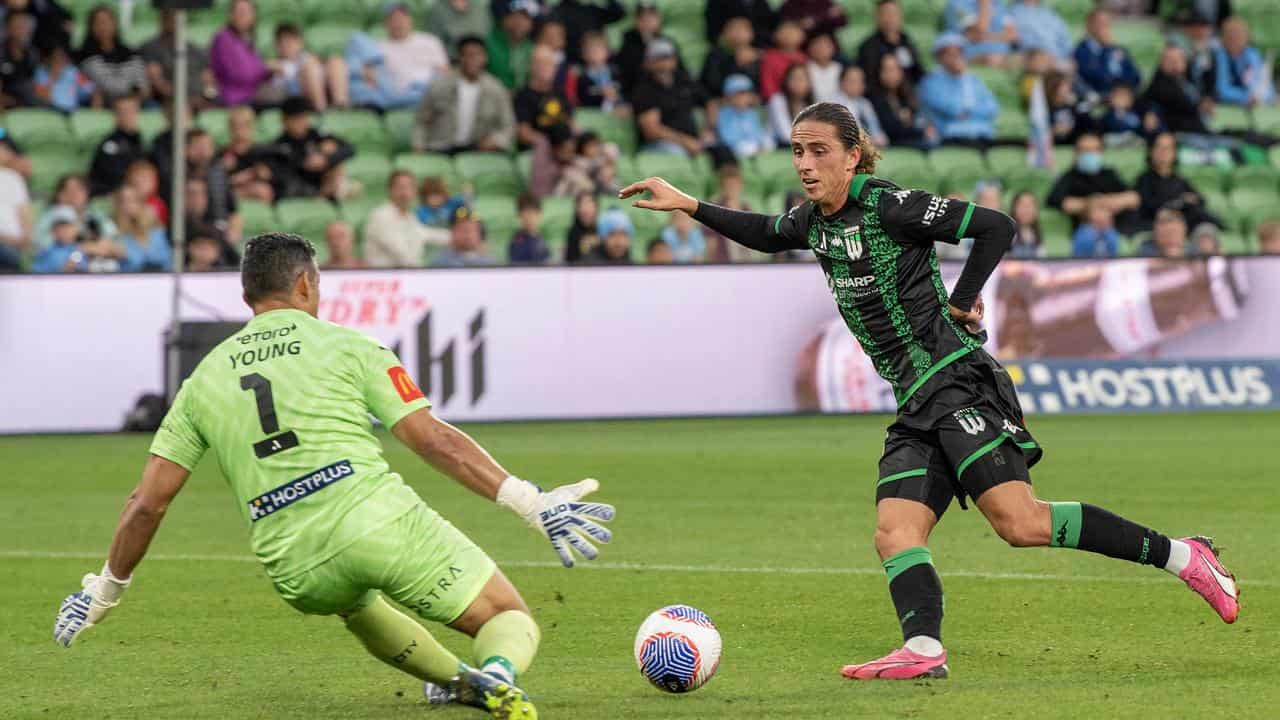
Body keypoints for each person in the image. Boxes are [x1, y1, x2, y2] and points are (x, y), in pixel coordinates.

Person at [619, 100, 1240, 681]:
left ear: (853, 155)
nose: (805, 164)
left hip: (955, 379)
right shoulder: (813, 221)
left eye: (817, 150)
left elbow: (995, 226)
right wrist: (688, 204)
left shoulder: (889, 205)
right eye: (796, 151)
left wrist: (963, 299)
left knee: (1020, 523)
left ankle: (1185, 557)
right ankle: (923, 650)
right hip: (915, 399)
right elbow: (764, 231)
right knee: (895, 531)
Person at [52, 231, 616, 719]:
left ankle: (458, 684)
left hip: (292, 563)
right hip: (375, 521)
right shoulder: (349, 345)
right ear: (304, 286)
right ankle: (496, 673)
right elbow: (433, 439)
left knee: (356, 601)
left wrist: (106, 589)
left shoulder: (202, 380)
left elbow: (148, 502)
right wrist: (529, 501)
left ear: (248, 294)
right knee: (506, 616)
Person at [413, 35, 515, 154]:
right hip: (440, 148)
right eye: (468, 55)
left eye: (477, 55)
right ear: (460, 58)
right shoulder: (439, 85)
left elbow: (508, 126)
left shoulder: (496, 89)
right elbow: (421, 120)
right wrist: (418, 146)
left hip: (477, 151)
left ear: (485, 58)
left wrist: (495, 141)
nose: (472, 60)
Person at [1046, 133, 1142, 234]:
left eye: (1094, 150)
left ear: (1100, 153)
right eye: (1085, 150)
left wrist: (1104, 201)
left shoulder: (1109, 174)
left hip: (1118, 229)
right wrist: (1087, 204)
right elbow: (1055, 201)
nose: (1090, 154)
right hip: (1086, 231)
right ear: (1076, 153)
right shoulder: (1069, 176)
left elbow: (1133, 197)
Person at [631, 39, 709, 156]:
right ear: (649, 62)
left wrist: (708, 130)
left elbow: (710, 102)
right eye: (659, 58)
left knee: (721, 150)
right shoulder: (644, 90)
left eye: (668, 57)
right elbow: (652, 130)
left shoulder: (683, 81)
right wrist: (686, 142)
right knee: (676, 153)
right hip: (661, 145)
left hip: (693, 140)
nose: (665, 62)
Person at [919, 34, 999, 145]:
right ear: (940, 57)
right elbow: (952, 110)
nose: (956, 57)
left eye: (959, 53)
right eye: (950, 54)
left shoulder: (972, 80)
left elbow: (992, 108)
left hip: (981, 134)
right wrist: (971, 111)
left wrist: (968, 112)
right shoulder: (931, 82)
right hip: (948, 138)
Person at [269, 97, 355, 201]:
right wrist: (313, 158)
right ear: (285, 121)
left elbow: (349, 148)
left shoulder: (315, 134)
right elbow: (294, 167)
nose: (303, 123)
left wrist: (326, 159)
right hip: (305, 191)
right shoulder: (279, 144)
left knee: (335, 158)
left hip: (329, 182)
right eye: (297, 119)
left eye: (305, 117)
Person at [1135, 132, 1219, 231]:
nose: (1164, 152)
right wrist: (1179, 202)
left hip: (1188, 223)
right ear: (1151, 151)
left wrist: (1184, 202)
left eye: (1168, 148)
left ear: (1174, 153)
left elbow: (1200, 199)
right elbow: (1148, 207)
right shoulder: (1144, 179)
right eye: (1159, 147)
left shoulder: (1179, 179)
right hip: (1162, 226)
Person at [141, 8, 218, 111]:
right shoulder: (150, 48)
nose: (172, 23)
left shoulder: (193, 49)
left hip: (199, 100)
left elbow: (209, 80)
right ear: (161, 20)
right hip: (170, 102)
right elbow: (157, 82)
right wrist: (181, 99)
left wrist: (207, 96)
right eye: (169, 19)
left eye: (175, 19)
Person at [364, 171, 444, 268]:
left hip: (405, 274)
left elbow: (425, 233)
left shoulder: (410, 216)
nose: (405, 192)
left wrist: (456, 236)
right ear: (390, 190)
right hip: (383, 277)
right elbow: (403, 255)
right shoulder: (381, 216)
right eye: (401, 188)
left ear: (414, 192)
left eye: (410, 188)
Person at [210, 0, 282, 108]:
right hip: (238, 97)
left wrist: (271, 72)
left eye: (247, 12)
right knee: (286, 95)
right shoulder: (224, 39)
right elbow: (240, 74)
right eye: (239, 12)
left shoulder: (247, 38)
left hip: (253, 92)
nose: (242, 16)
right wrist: (266, 68)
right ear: (231, 15)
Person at [377, 2, 449, 109]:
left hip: (431, 90)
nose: (399, 22)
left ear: (410, 20)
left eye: (403, 17)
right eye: (394, 18)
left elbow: (444, 70)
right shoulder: (379, 47)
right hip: (402, 95)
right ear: (385, 23)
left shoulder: (430, 41)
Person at [76, 5, 149, 104]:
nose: (103, 27)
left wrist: (133, 99)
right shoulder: (82, 57)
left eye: (106, 22)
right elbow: (86, 86)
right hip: (100, 104)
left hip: (131, 103)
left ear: (115, 24)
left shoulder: (131, 54)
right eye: (98, 23)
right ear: (91, 27)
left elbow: (143, 86)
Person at [271, 23, 347, 113]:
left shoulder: (308, 57)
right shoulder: (276, 63)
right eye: (283, 42)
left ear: (300, 43)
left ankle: (341, 105)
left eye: (292, 41)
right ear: (277, 46)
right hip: (298, 93)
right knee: (310, 68)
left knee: (336, 61)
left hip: (322, 84)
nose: (288, 45)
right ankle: (321, 109)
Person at [33, 173, 117, 252]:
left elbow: (113, 238)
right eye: (67, 190)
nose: (73, 194)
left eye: (79, 189)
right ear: (59, 195)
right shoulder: (50, 216)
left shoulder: (96, 216)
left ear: (87, 193)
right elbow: (40, 244)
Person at [514, 44, 573, 149]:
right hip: (537, 154)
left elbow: (570, 124)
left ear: (555, 68)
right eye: (539, 63)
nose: (544, 67)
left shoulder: (560, 93)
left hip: (563, 152)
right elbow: (523, 133)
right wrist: (553, 145)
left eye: (549, 63)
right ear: (530, 66)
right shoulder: (522, 97)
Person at [1143, 45, 1211, 135]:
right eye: (1170, 60)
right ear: (1161, 63)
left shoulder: (1187, 80)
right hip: (1180, 132)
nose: (1175, 63)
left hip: (1197, 128)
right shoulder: (1160, 85)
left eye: (1179, 59)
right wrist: (1200, 106)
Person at [89, 94, 147, 198]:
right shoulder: (109, 144)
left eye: (131, 111)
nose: (127, 115)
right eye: (122, 112)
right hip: (111, 194)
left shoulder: (140, 141)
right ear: (115, 116)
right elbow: (110, 176)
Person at [869, 54, 933, 148]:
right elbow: (890, 131)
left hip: (913, 141)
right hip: (892, 146)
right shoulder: (874, 98)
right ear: (879, 72)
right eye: (887, 70)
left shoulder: (907, 95)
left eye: (895, 69)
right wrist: (920, 131)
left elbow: (916, 119)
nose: (892, 74)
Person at [1074, 8, 1141, 96]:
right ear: (1089, 25)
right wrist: (1107, 49)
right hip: (1100, 97)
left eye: (1107, 23)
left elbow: (1136, 76)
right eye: (1100, 23)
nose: (1104, 27)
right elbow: (1098, 78)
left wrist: (1122, 86)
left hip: (1123, 96)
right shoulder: (1082, 50)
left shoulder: (1118, 49)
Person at [856, 0, 925, 86]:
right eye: (885, 14)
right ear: (877, 17)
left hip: (908, 93)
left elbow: (917, 72)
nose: (890, 18)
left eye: (893, 13)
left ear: (901, 16)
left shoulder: (906, 41)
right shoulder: (868, 47)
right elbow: (868, 80)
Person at [1213, 16, 1274, 108]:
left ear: (1247, 37)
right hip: (1227, 106)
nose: (1235, 38)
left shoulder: (1252, 54)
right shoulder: (1220, 56)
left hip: (1254, 104)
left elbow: (1266, 85)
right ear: (1224, 37)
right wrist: (1246, 97)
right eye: (1231, 35)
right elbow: (1221, 90)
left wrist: (1261, 97)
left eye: (1239, 35)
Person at [700, 15, 761, 102]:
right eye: (732, 28)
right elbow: (709, 85)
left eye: (742, 29)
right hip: (724, 104)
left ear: (752, 33)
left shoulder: (761, 57)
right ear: (724, 33)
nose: (737, 33)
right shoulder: (715, 56)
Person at [111, 184, 171, 272]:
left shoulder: (157, 231)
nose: (127, 205)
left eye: (132, 201)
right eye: (123, 201)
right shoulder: (112, 231)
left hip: (160, 279)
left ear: (142, 203)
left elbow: (166, 260)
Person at [943, 0, 1017, 66]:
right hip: (972, 54)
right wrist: (984, 4)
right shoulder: (957, 3)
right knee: (993, 59)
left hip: (1004, 55)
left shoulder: (998, 3)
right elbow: (978, 32)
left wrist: (987, 37)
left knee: (1019, 60)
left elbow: (1013, 36)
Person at [716, 74, 773, 159]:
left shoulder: (752, 113)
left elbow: (757, 132)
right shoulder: (724, 114)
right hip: (736, 147)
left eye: (746, 94)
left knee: (769, 142)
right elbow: (727, 138)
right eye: (739, 94)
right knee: (745, 148)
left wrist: (760, 143)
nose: (743, 98)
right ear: (729, 96)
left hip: (754, 145)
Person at [835, 65, 888, 148]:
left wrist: (879, 139)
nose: (857, 85)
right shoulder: (833, 105)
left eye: (861, 81)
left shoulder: (865, 103)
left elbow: (876, 130)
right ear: (841, 82)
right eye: (853, 81)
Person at [33, 42, 94, 113]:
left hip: (72, 113)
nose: (59, 60)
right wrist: (53, 76)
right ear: (48, 58)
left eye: (62, 57)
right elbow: (43, 98)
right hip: (49, 112)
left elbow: (90, 89)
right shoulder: (41, 72)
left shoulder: (72, 71)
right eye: (55, 57)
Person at [432, 203, 498, 267]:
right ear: (452, 232)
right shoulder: (441, 263)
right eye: (463, 230)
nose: (468, 235)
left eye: (472, 230)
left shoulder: (491, 264)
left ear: (480, 235)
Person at [759, 19, 808, 101]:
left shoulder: (804, 58)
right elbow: (767, 86)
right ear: (775, 35)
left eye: (792, 31)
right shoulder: (769, 57)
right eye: (784, 31)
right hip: (778, 102)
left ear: (802, 35)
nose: (788, 35)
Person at [0, 138, 30, 271]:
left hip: (14, 244)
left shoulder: (14, 178)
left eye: (6, 149)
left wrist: (25, 237)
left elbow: (24, 211)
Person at [1008, 0, 1072, 62]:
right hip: (1034, 60)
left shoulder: (1050, 14)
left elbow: (1066, 45)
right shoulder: (1011, 13)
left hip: (1061, 61)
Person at [575, 31, 623, 111]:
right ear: (583, 54)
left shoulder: (616, 72)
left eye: (600, 48)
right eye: (591, 49)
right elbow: (583, 99)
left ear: (608, 52)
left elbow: (623, 91)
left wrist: (617, 97)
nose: (596, 52)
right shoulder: (581, 77)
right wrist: (602, 94)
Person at [0, 10, 39, 108]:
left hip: (26, 100)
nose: (22, 29)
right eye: (18, 25)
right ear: (8, 28)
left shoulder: (32, 53)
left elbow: (34, 83)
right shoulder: (2, 52)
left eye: (25, 25)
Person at [427, 0, 492, 57]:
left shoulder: (481, 8)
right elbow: (432, 46)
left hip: (482, 66)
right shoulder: (437, 11)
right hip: (452, 64)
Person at [769, 64, 814, 146]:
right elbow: (784, 134)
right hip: (780, 147)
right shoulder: (777, 100)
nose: (798, 82)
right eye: (794, 78)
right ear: (786, 81)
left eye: (802, 79)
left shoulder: (812, 104)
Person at [705, 0, 775, 50]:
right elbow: (712, 33)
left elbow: (770, 30)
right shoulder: (717, 3)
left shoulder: (761, 4)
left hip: (757, 50)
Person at [508, 192, 550, 264]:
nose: (529, 219)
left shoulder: (542, 238)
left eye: (532, 214)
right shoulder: (516, 241)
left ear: (539, 214)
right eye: (526, 215)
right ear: (519, 216)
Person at [805, 33, 843, 104]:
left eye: (826, 45)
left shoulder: (839, 68)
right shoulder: (805, 68)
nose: (821, 48)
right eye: (817, 44)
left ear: (834, 47)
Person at [564, 191, 598, 264]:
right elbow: (570, 260)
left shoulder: (602, 230)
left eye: (589, 205)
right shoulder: (573, 233)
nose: (586, 209)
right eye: (582, 205)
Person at [1007, 190, 1044, 258]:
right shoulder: (1008, 233)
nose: (1026, 209)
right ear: (1013, 208)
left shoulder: (1036, 234)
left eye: (1030, 205)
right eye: (1022, 205)